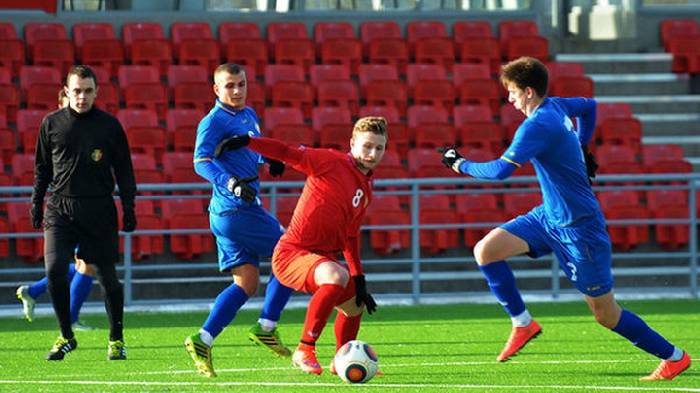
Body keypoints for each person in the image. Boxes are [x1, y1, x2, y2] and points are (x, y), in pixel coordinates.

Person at [438, 56, 691, 381]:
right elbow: (589, 106)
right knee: (486, 251)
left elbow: (500, 171)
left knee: (606, 314)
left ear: (529, 92)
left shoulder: (537, 125)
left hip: (579, 229)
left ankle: (674, 357)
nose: (510, 99)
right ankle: (523, 323)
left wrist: (460, 164)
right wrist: (583, 146)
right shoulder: (556, 106)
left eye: (513, 93)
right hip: (549, 218)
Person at [215, 115, 386, 375]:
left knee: (355, 306)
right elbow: (286, 152)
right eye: (367, 146)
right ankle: (305, 349)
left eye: (379, 148)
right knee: (335, 274)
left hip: (321, 259)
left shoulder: (366, 189)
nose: (372, 153)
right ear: (352, 143)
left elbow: (351, 236)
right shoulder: (329, 161)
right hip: (293, 253)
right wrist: (249, 141)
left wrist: (359, 277)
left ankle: (341, 360)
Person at [185, 63, 294, 378]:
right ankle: (267, 326)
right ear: (216, 90)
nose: (236, 90)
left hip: (225, 214)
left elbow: (252, 148)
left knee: (246, 282)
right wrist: (231, 182)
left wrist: (268, 159)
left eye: (241, 84)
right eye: (229, 85)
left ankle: (203, 338)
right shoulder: (213, 121)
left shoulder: (248, 115)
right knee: (290, 252)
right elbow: (200, 162)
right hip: (235, 208)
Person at [31, 65, 137, 361]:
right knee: (54, 271)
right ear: (66, 91)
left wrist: (128, 206)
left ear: (96, 92)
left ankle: (116, 339)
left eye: (88, 91)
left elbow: (124, 169)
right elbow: (42, 168)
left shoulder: (109, 126)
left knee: (108, 279)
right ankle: (66, 335)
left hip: (99, 209)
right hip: (60, 208)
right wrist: (36, 201)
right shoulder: (51, 123)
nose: (82, 97)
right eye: (76, 91)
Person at [16, 89, 97, 332]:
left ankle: (34, 291)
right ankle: (69, 320)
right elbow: (47, 172)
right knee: (89, 263)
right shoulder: (55, 135)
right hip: (66, 210)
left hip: (86, 207)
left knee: (86, 263)